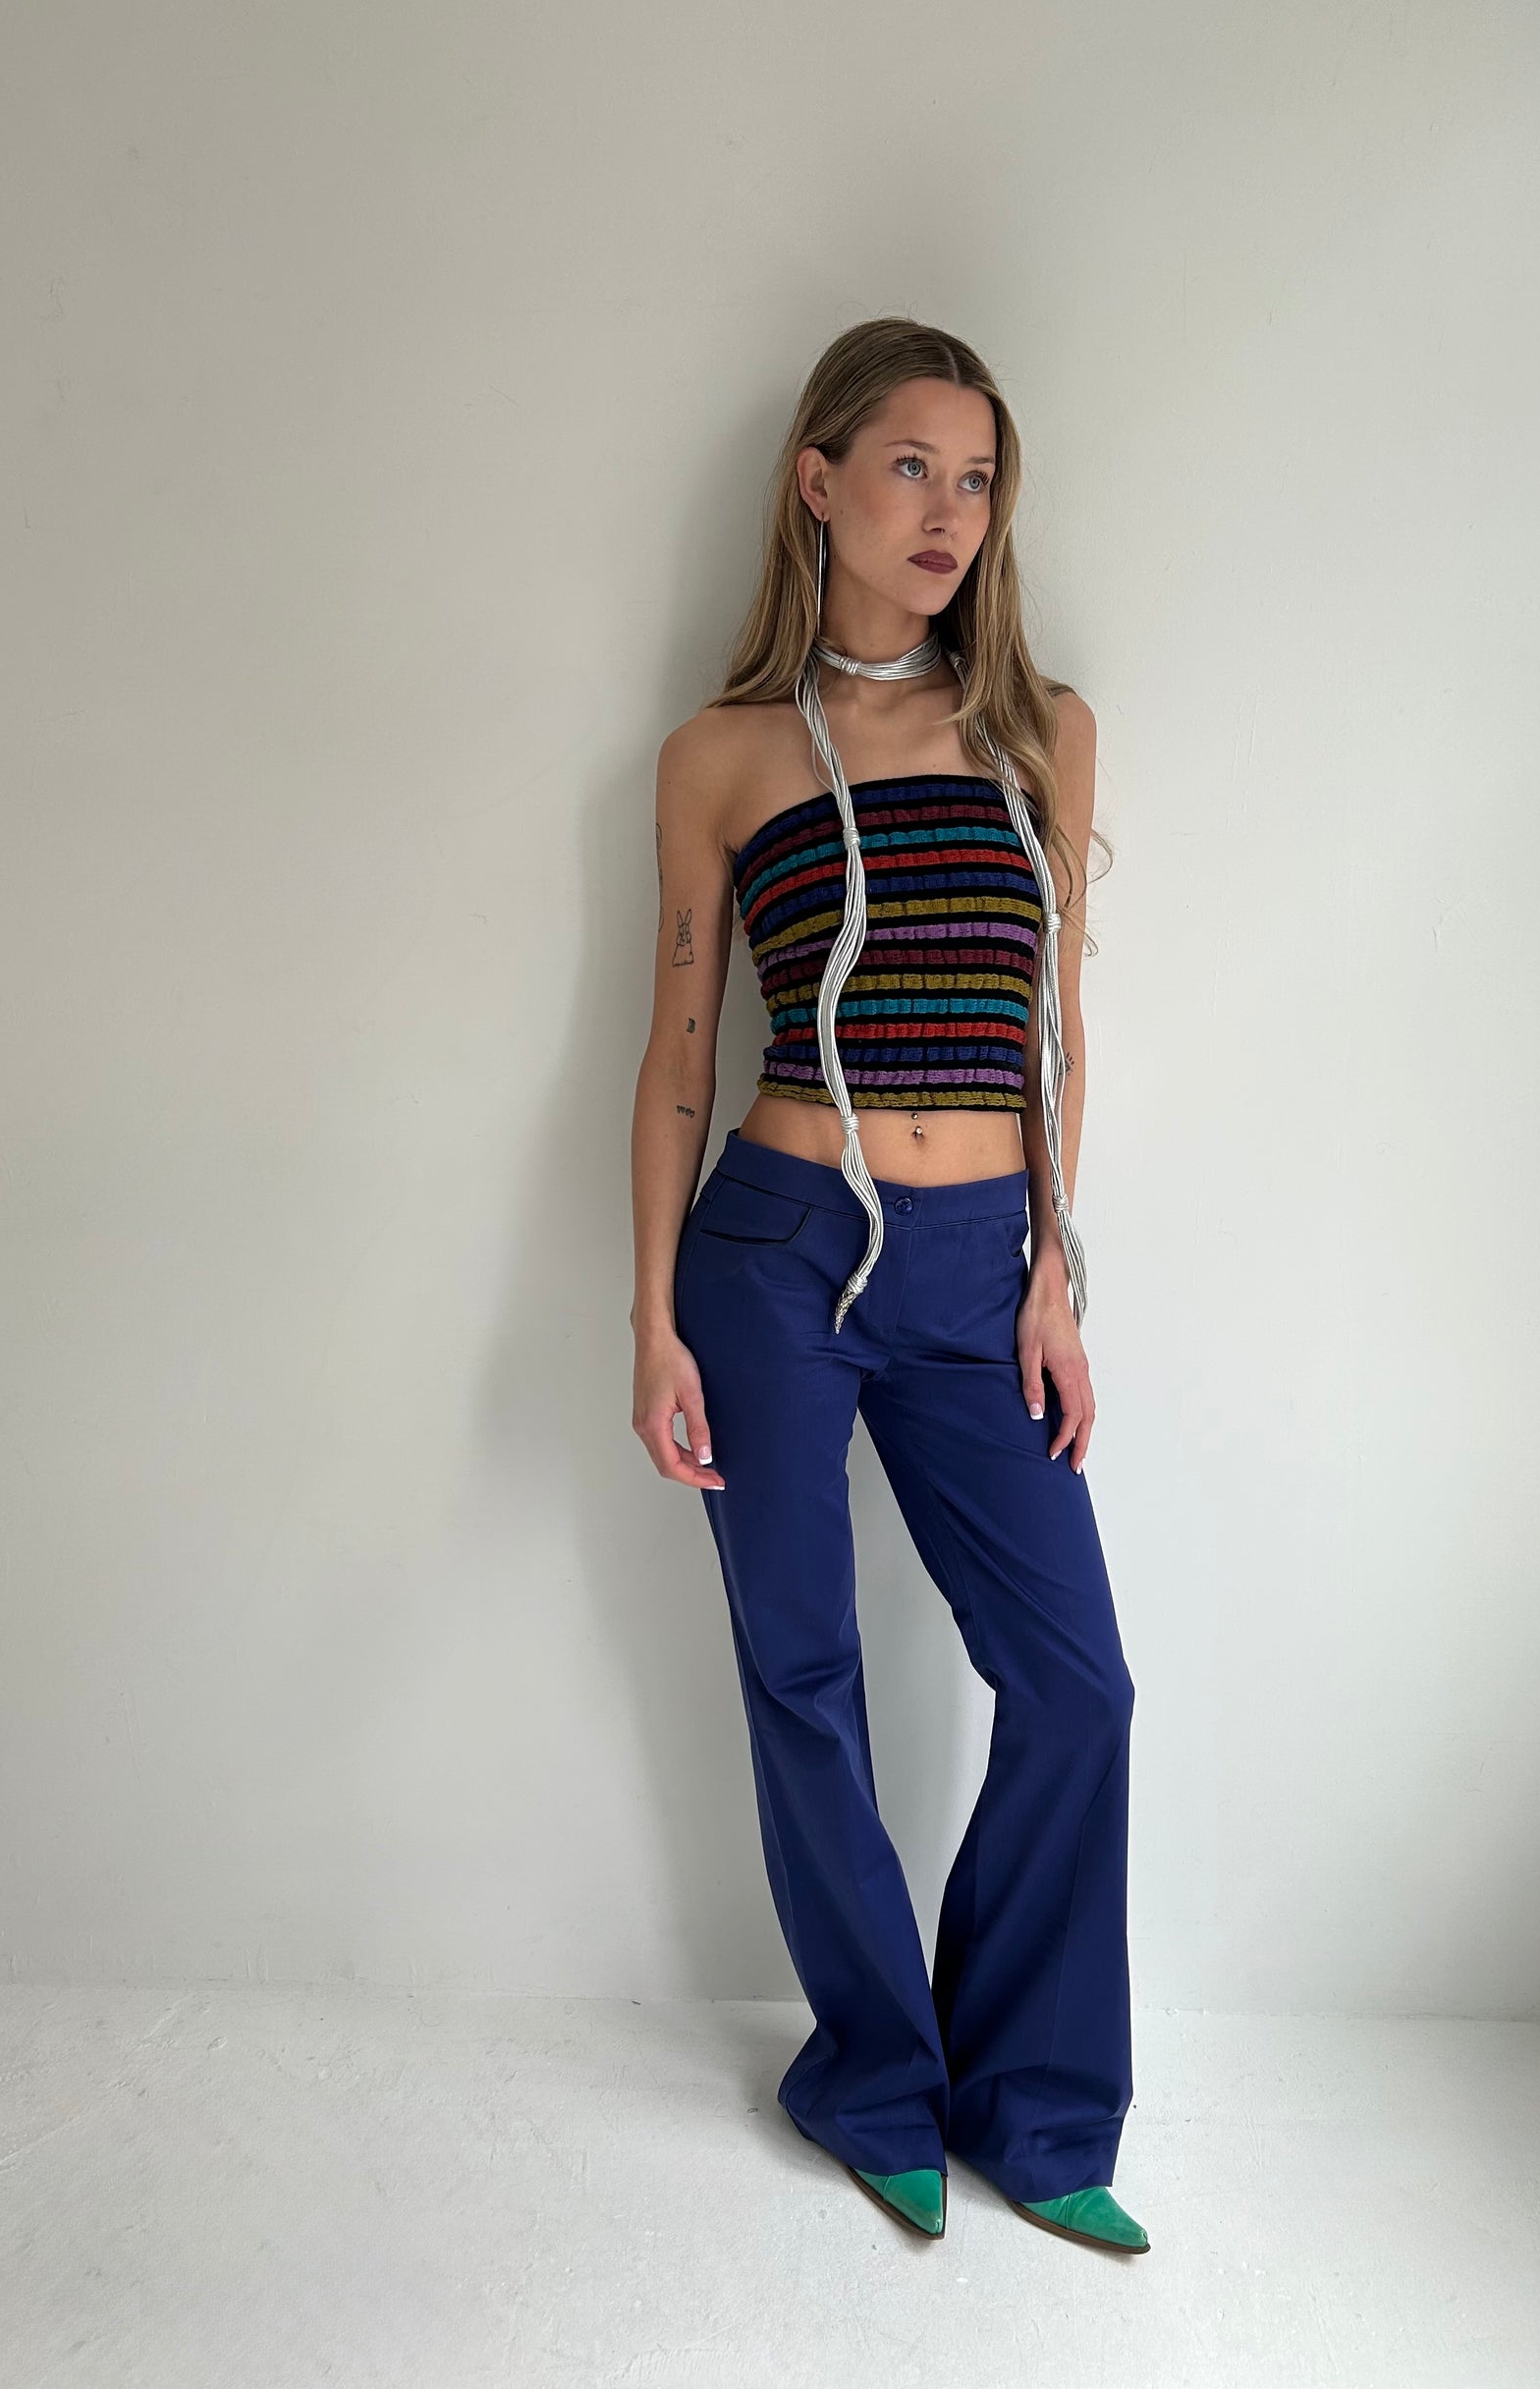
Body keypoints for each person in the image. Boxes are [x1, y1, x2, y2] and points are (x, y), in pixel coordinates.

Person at [630, 316, 1147, 2256]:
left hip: (978, 1261)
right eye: (910, 466)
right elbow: (679, 1058)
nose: (947, 511)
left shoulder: (1037, 734)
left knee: (1076, 1684)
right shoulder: (722, 756)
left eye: (977, 477)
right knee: (803, 1670)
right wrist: (651, 1316)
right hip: (773, 1249)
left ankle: (1037, 2101)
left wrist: (1051, 1277)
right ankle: (871, 2076)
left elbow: (1056, 1038)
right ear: (819, 481)